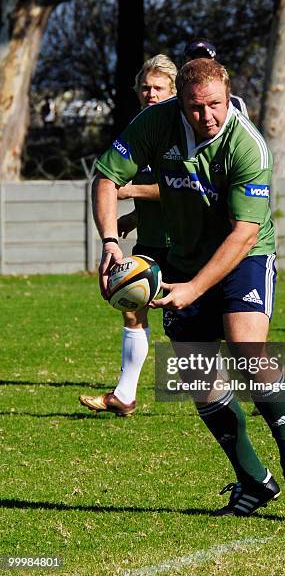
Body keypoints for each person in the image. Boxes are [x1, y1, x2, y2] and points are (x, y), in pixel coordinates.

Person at [91, 58, 285, 515]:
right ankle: (254, 480)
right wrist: (111, 243)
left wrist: (194, 288)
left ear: (226, 95)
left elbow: (245, 233)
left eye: (214, 105)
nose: (206, 116)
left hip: (245, 254)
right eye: (195, 107)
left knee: (247, 353)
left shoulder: (247, 145)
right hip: (182, 255)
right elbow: (105, 178)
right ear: (181, 101)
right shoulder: (156, 121)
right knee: (200, 374)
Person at [79, 54, 177, 416]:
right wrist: (134, 218)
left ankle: (265, 380)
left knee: (211, 322)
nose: (150, 93)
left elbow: (184, 190)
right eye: (145, 87)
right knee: (132, 308)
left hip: (188, 241)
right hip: (151, 237)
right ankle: (125, 395)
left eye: (158, 88)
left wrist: (132, 193)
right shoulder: (141, 127)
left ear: (174, 90)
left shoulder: (186, 127)